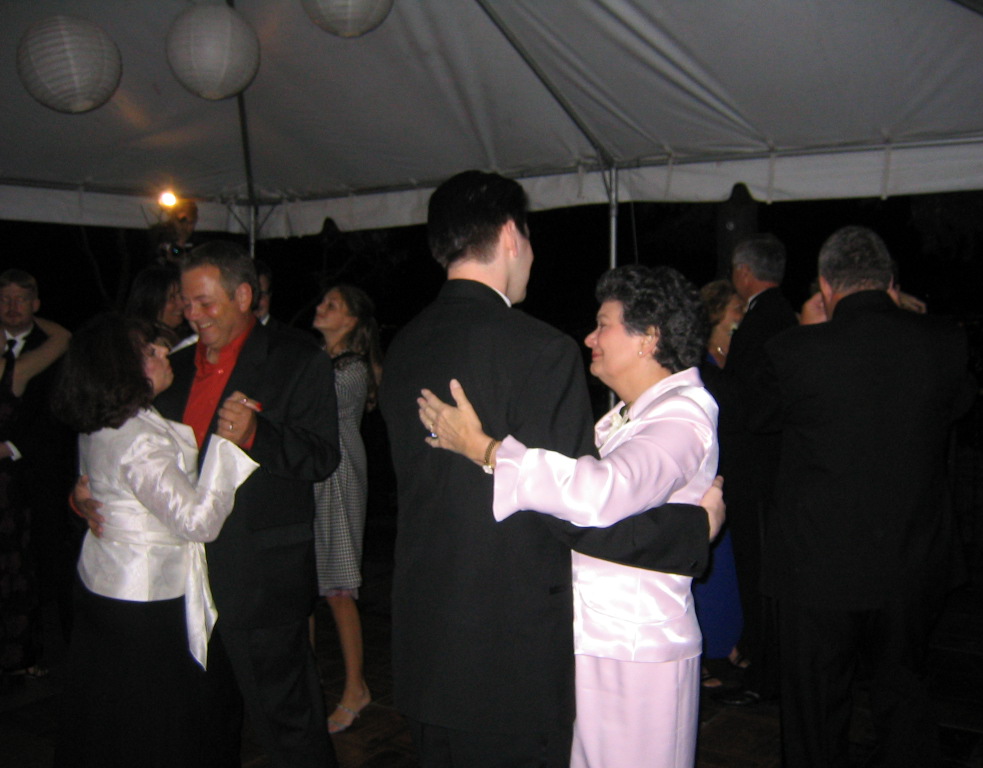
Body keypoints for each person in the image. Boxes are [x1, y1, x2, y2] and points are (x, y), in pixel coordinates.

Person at [378, 170, 723, 768]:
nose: (589, 337)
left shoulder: (405, 345)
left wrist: (489, 451)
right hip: (510, 656)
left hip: (428, 638)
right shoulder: (539, 350)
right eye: (531, 239)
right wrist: (692, 532)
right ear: (511, 236)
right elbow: (575, 516)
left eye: (603, 325)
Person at [75, 242, 340, 768]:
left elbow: (321, 457)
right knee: (203, 727)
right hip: (177, 587)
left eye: (204, 302)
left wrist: (258, 434)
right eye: (186, 302)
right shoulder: (169, 365)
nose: (191, 314)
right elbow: (117, 431)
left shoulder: (296, 358)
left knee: (289, 726)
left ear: (243, 296)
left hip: (258, 581)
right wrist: (86, 492)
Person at [758, 226, 974, 767]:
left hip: (818, 567)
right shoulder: (945, 341)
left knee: (814, 718)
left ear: (825, 286)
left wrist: (808, 332)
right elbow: (959, 403)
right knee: (904, 701)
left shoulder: (793, 350)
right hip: (911, 562)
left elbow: (755, 416)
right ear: (892, 283)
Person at [53, 314, 257, 768]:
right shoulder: (140, 437)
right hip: (145, 598)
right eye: (150, 351)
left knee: (111, 712)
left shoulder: (102, 421)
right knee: (156, 718)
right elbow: (199, 523)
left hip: (105, 583)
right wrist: (229, 447)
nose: (165, 352)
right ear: (121, 369)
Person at [716, 233, 795, 704]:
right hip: (770, 469)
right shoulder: (783, 315)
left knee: (757, 570)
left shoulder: (762, 320)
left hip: (755, 470)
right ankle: (761, 659)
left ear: (744, 273)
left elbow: (757, 404)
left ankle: (764, 669)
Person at [310, 282, 383, 732]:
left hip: (337, 478)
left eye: (331, 305)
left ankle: (356, 687)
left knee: (338, 589)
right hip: (311, 475)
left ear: (350, 320)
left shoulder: (352, 368)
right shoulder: (319, 361)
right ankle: (307, 683)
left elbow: (314, 407)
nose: (320, 308)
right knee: (306, 588)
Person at [1, 269, 77, 656]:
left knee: (46, 558)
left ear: (35, 304)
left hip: (39, 470)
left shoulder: (52, 346)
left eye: (20, 299)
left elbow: (58, 410)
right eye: (5, 299)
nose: (12, 307)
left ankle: (55, 648)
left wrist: (13, 446)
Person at [693, 279, 745, 690]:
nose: (742, 317)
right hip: (710, 475)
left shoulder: (740, 358)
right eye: (736, 310)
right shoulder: (700, 365)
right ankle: (711, 652)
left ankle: (728, 644)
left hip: (738, 473)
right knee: (714, 567)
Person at [125, 264, 188, 346]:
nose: (182, 304)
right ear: (151, 300)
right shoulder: (143, 342)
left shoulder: (182, 336)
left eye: (182, 296)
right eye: (171, 297)